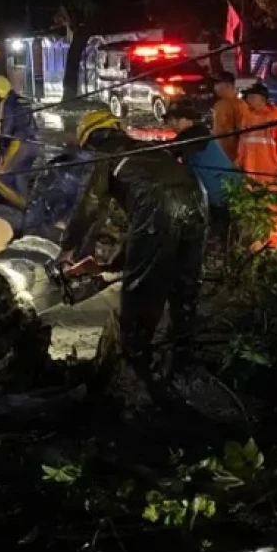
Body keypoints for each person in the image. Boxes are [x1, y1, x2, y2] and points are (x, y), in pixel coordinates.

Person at [59, 110, 208, 384]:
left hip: (158, 206)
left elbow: (90, 207)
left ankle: (134, 369)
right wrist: (106, 266)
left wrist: (67, 249)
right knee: (185, 287)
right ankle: (183, 365)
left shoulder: (108, 155)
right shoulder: (147, 149)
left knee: (140, 294)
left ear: (91, 139)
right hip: (196, 199)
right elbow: (144, 239)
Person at [229, 81, 277, 250]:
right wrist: (238, 164)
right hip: (250, 173)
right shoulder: (247, 118)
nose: (247, 100)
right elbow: (243, 144)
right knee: (252, 209)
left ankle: (271, 246)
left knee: (272, 210)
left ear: (261, 98)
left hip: (270, 173)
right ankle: (255, 244)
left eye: (250, 97)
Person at [162, 98, 241, 211]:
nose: (171, 124)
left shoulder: (195, 134)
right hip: (223, 190)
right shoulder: (195, 133)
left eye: (173, 120)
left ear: (186, 119)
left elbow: (171, 149)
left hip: (225, 191)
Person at [0, 75, 40, 209]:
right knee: (19, 175)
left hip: (18, 146)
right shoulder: (21, 100)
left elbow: (5, 131)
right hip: (33, 145)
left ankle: (21, 206)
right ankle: (26, 206)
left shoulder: (8, 103)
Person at [211, 71, 245, 164]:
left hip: (225, 153)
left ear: (227, 85)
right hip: (239, 154)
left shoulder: (222, 105)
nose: (215, 87)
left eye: (217, 84)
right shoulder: (242, 104)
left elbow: (221, 131)